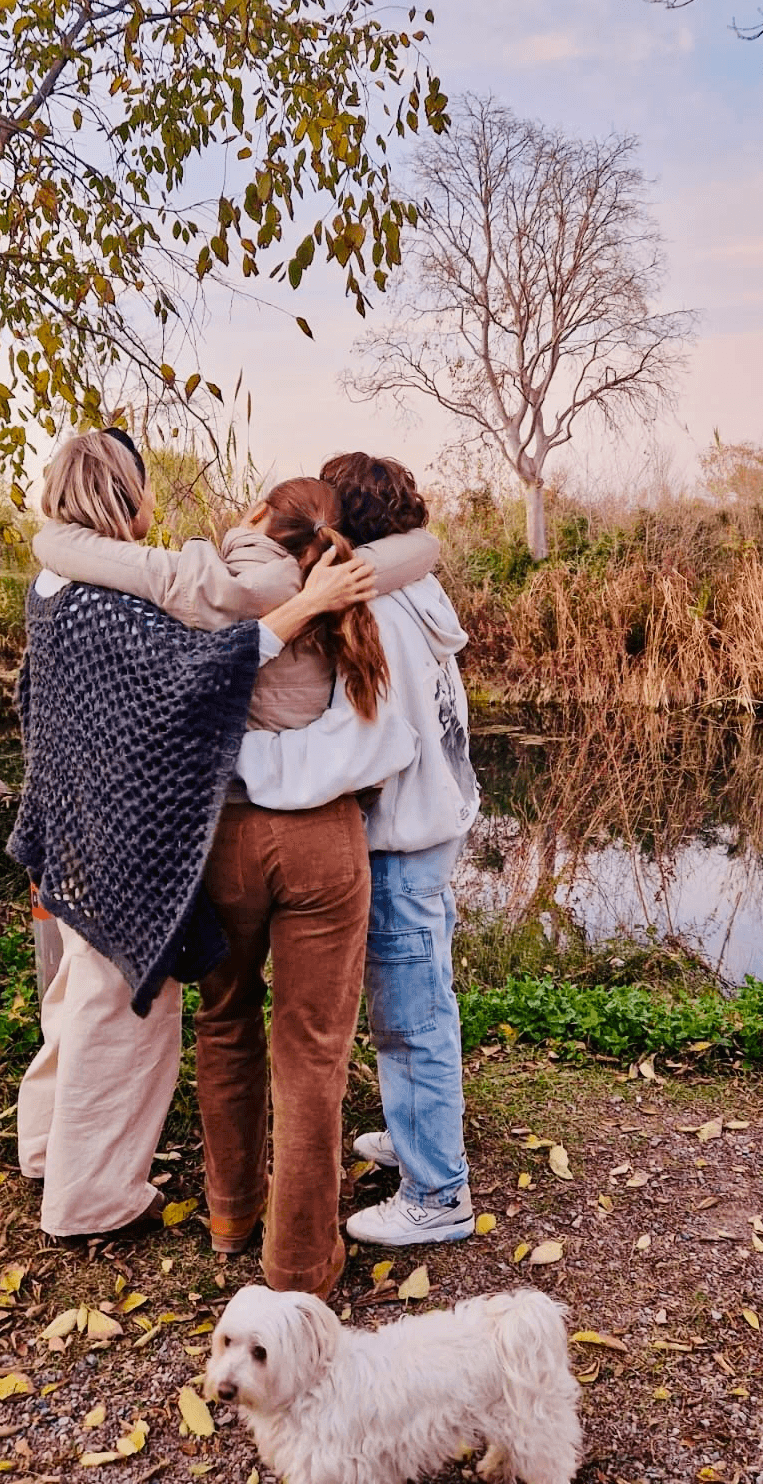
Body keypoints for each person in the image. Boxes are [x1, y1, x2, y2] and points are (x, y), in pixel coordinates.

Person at [31, 472, 437, 1292]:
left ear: (257, 517)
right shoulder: (354, 582)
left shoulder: (204, 585)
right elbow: (418, 561)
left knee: (225, 1024)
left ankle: (230, 1215)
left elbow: (168, 647)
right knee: (313, 1055)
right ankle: (299, 1263)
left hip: (220, 838)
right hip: (324, 841)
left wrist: (56, 540)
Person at [236, 452, 480, 1245]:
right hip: (436, 824)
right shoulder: (419, 588)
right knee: (419, 1003)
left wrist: (239, 763)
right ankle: (417, 1133)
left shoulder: (382, 615)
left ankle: (437, 1194)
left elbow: (361, 745)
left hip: (402, 840)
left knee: (412, 1021)